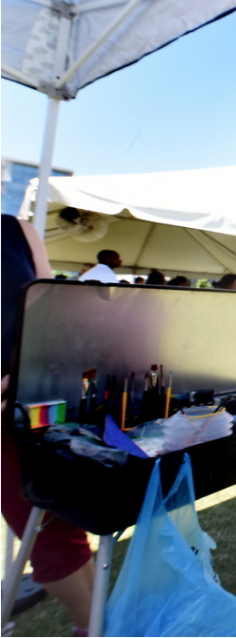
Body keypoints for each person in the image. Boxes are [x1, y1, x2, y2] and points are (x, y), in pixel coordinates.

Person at [2, 215, 95, 635]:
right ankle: (95, 627)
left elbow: (51, 307)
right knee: (46, 538)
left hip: (41, 399)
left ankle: (99, 624)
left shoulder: (16, 229)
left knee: (68, 521)